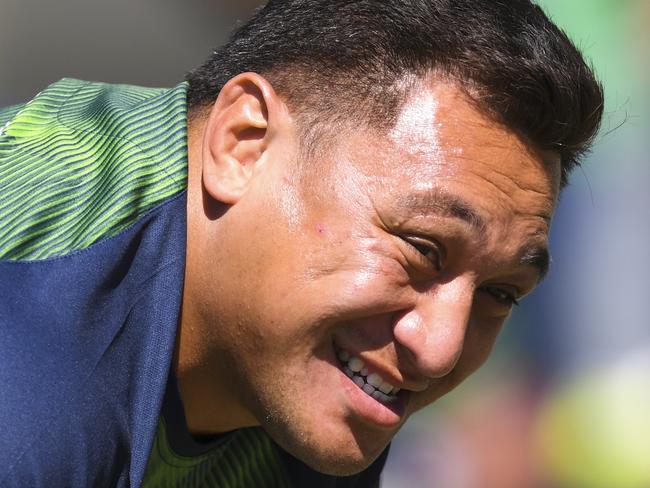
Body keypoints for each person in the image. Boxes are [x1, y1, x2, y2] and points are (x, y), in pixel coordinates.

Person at [0, 0, 603, 486]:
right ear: (244, 143)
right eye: (422, 248)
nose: (440, 349)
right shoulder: (31, 375)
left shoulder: (309, 393)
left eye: (500, 292)